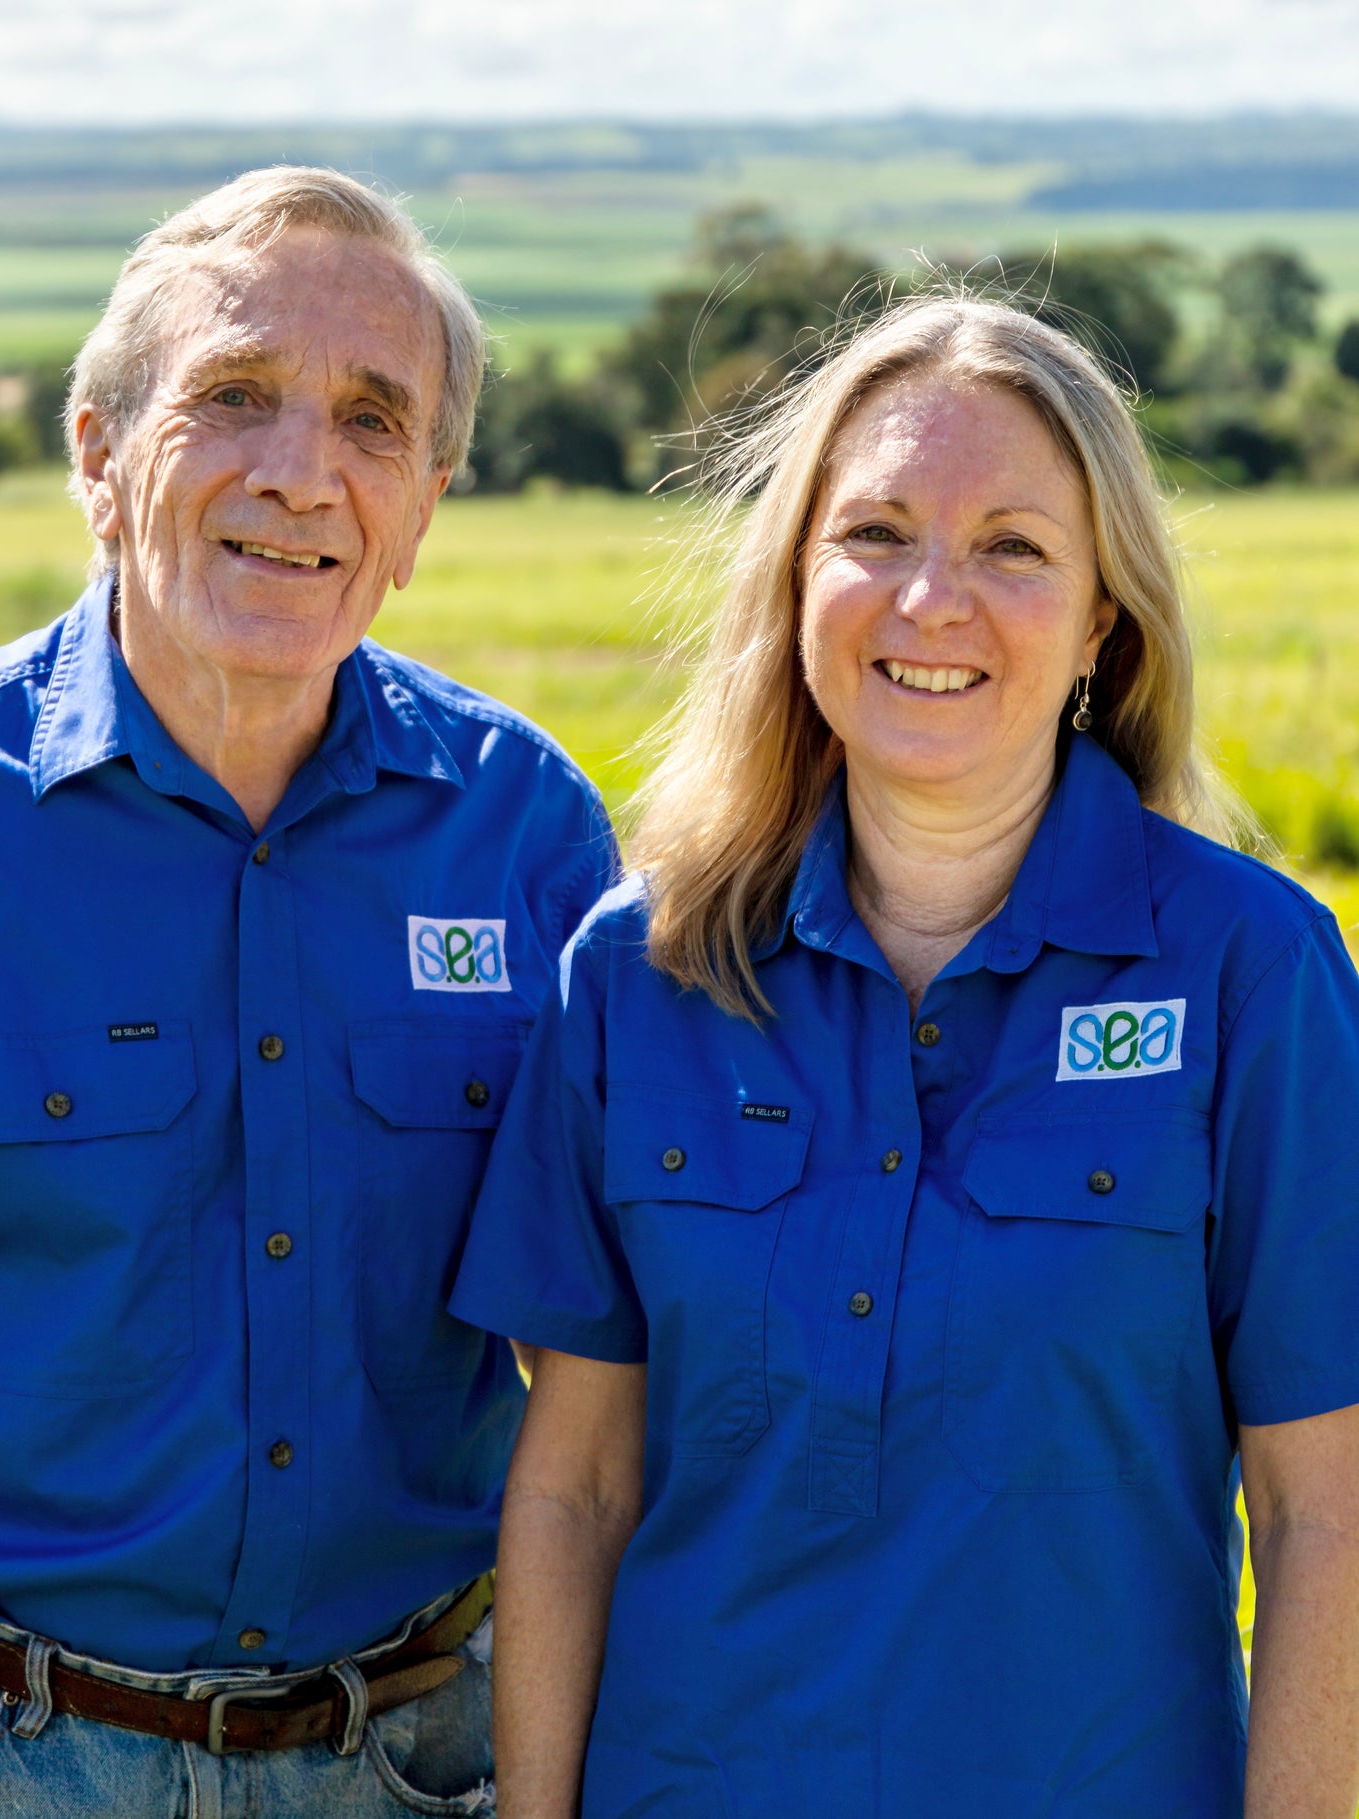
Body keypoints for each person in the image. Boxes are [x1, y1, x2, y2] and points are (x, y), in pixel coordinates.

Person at [449, 295, 1359, 1817]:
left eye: (1014, 547)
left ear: (1101, 624)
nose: (933, 597)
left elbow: (1322, 1513)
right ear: (797, 584)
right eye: (874, 531)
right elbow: (573, 1487)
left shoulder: (1251, 975)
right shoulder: (636, 968)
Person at [0, 167, 615, 1816]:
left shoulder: (525, 831)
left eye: (371, 421)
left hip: (412, 1766)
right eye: (235, 397)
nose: (301, 473)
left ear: (421, 508)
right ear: (97, 455)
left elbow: (609, 1366)